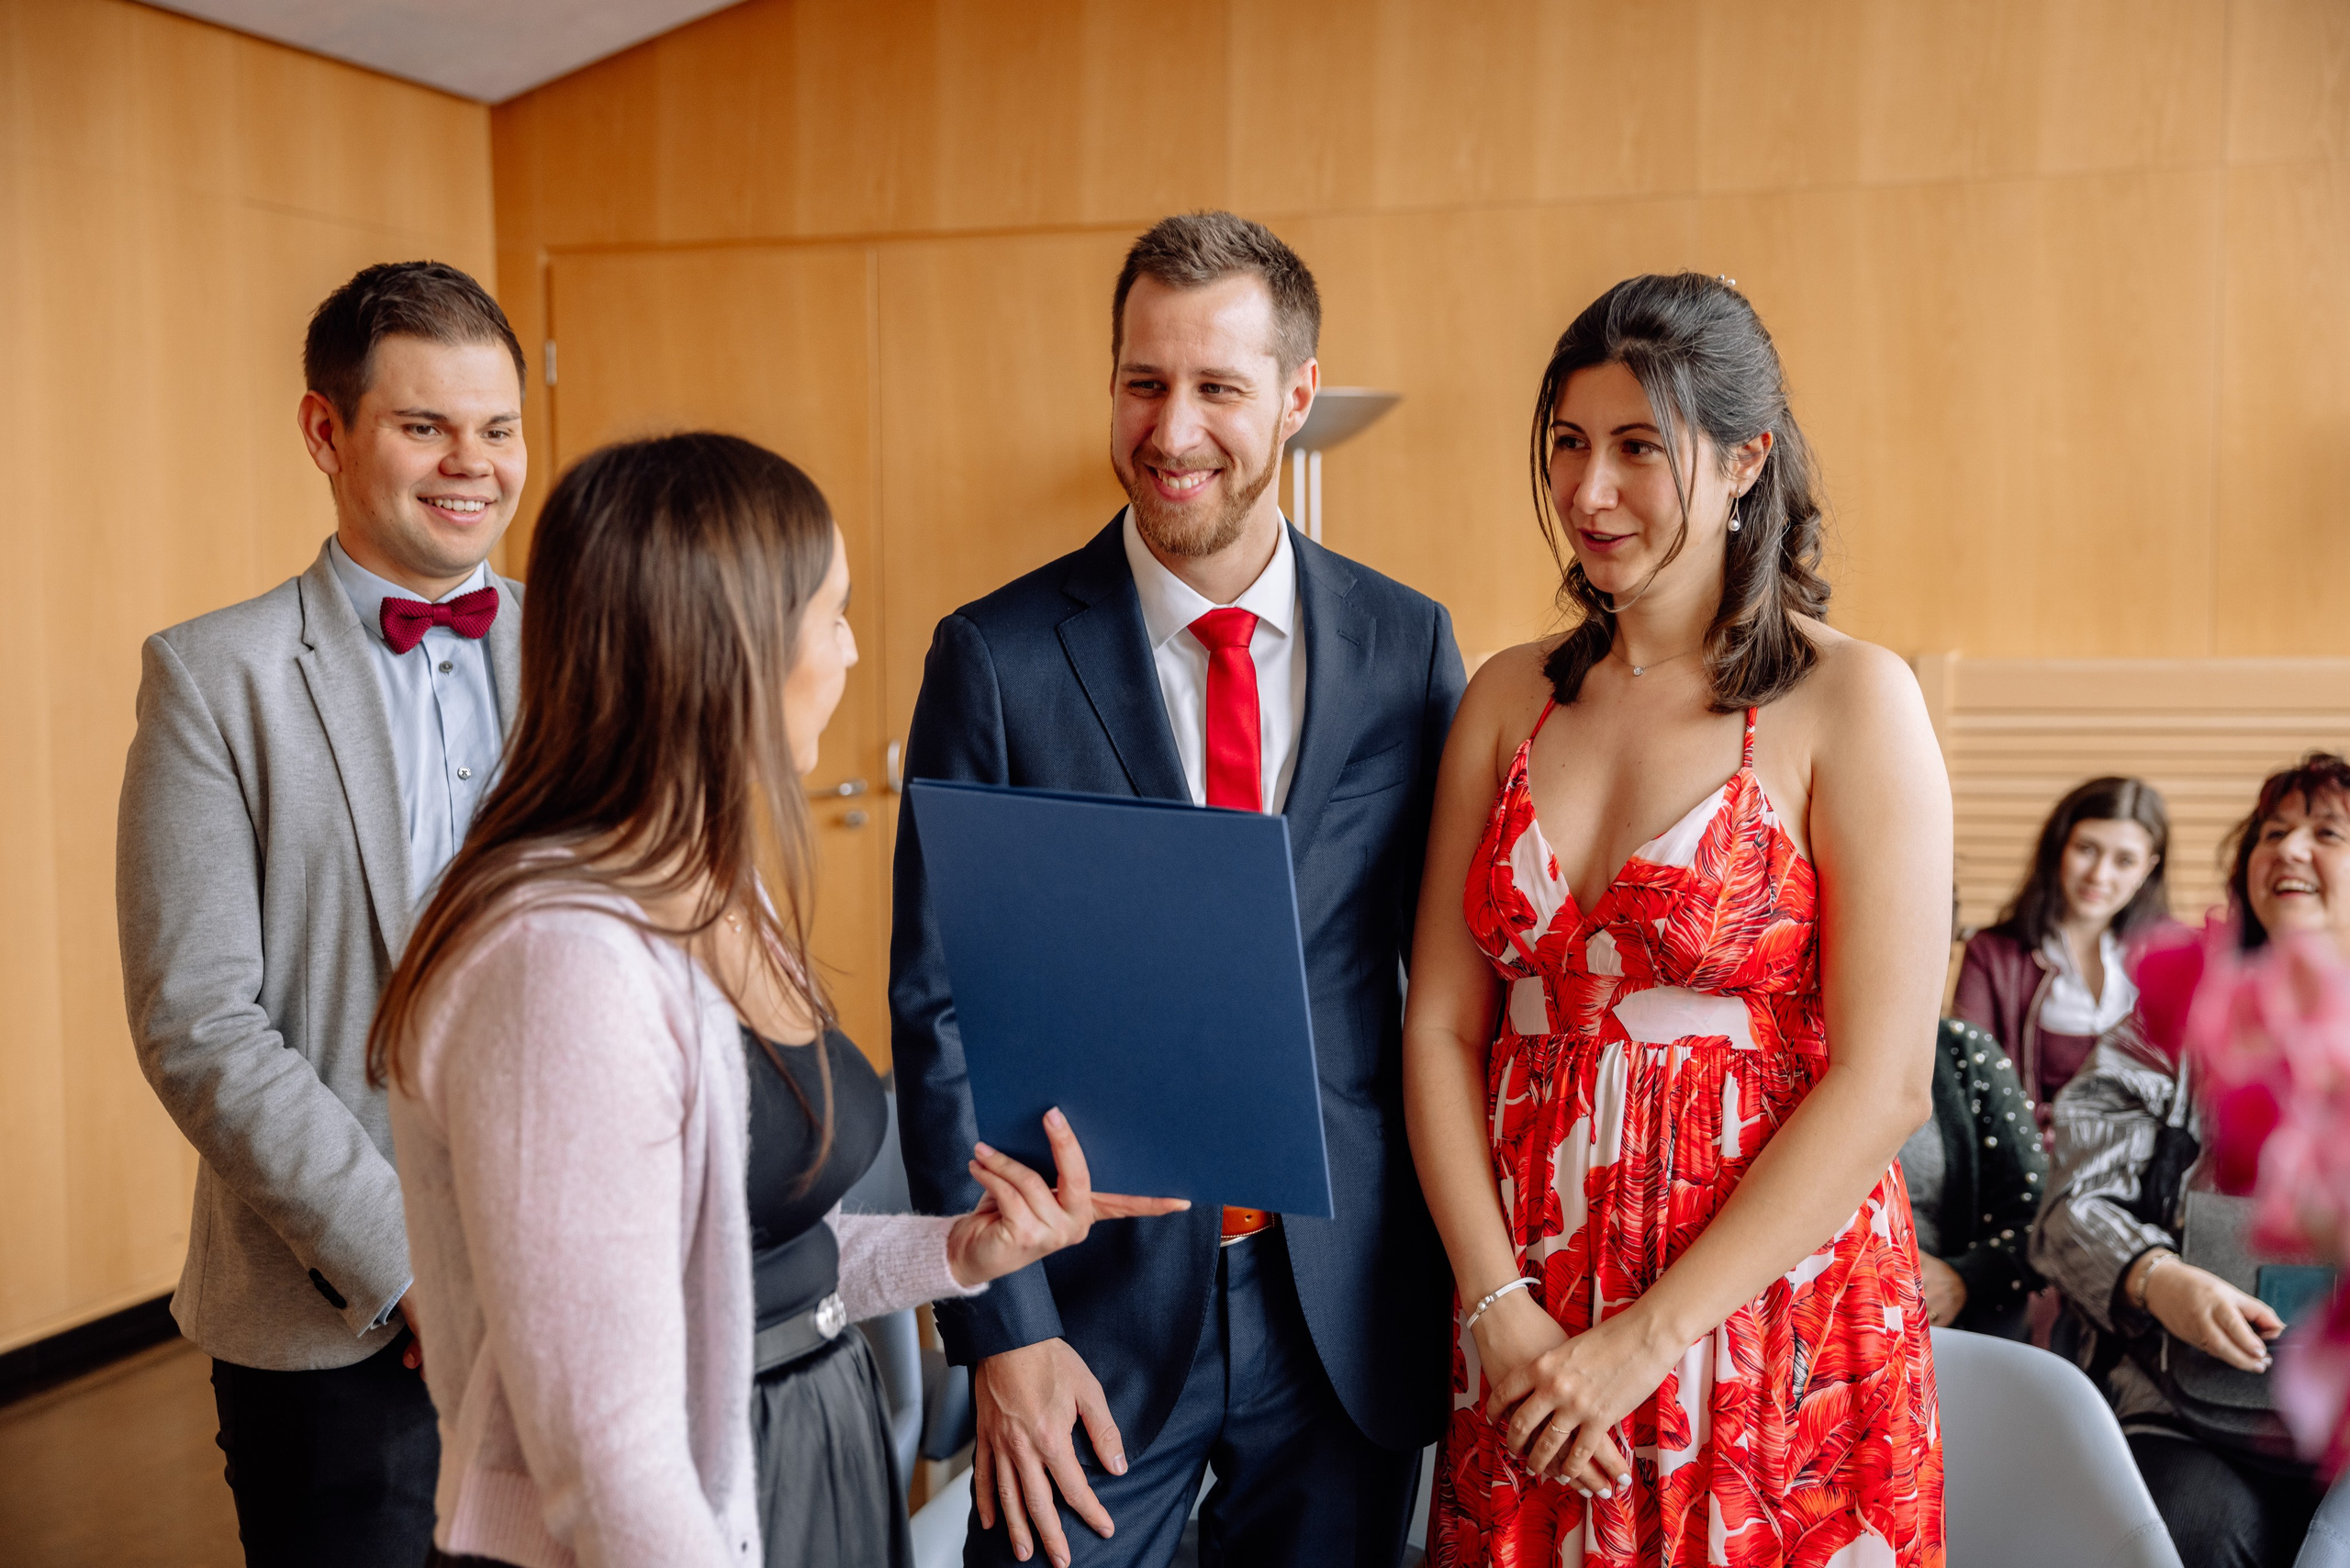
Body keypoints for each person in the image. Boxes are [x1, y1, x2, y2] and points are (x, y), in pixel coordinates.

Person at [372, 433, 1183, 1568]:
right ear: (733, 652)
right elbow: (608, 1458)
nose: (851, 651)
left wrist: (962, 1249)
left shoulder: (713, 886)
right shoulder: (561, 965)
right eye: (832, 615)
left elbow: (756, 1255)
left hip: (808, 1456)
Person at [892, 211, 1466, 1567]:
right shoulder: (993, 657)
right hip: (1083, 1314)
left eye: (1217, 387)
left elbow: (1450, 988)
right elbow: (936, 1013)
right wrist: (1005, 1332)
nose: (1173, 429)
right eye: (1144, 382)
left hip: (1341, 1310)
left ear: (1298, 396)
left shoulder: (1407, 645)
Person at [1404, 273, 1949, 1564]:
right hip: (1527, 1312)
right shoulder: (1505, 699)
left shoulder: (1851, 700)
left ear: (1746, 459)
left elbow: (1885, 1084)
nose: (1589, 491)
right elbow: (1439, 1027)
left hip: (1763, 1313)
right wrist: (1496, 1308)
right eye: (1568, 443)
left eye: (1639, 448)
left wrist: (1644, 1341)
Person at [116, 261, 529, 1566]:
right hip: (337, 1326)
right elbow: (198, 1021)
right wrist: (409, 1268)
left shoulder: (589, 648)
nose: (472, 464)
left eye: (499, 428)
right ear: (325, 431)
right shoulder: (212, 678)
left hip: (571, 1284)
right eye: (425, 425)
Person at [2032, 753, 2350, 1568]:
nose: (2289, 849)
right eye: (2272, 832)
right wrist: (2155, 1278)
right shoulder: (2170, 1025)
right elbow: (2069, 1208)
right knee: (2190, 1533)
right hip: (2179, 1411)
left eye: (2327, 833)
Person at [1955, 776, 2169, 1126]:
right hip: (2026, 1154)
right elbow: (1971, 1084)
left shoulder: (2176, 959)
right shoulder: (1990, 955)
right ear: (2059, 847)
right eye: (2086, 849)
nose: (2099, 875)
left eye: (2125, 860)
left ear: (2148, 869)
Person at [1897, 1018, 2046, 1338]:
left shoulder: (1961, 1049)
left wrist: (1961, 1279)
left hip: (1949, 1334)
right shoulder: (1788, 1063)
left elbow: (2040, 1220)